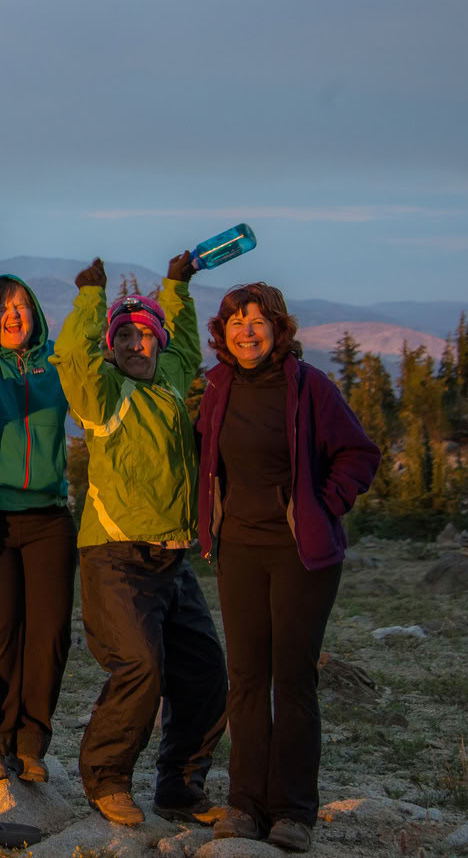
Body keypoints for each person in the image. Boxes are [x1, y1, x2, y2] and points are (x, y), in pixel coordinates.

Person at [196, 284, 380, 852]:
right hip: (240, 550)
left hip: (302, 553)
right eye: (235, 322)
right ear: (223, 333)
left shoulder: (308, 386)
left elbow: (360, 453)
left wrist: (324, 505)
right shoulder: (217, 387)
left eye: (257, 321)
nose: (246, 331)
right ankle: (245, 805)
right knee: (247, 679)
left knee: (293, 682)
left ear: (278, 329)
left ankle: (294, 812)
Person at [50, 254, 228, 827]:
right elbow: (73, 358)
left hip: (173, 557)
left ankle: (179, 789)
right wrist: (90, 299)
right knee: (139, 666)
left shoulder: (174, 381)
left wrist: (177, 285)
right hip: (115, 555)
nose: (133, 344)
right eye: (121, 336)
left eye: (143, 335)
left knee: (204, 674)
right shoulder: (104, 396)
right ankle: (107, 781)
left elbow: (185, 347)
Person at [0, 209, 78, 787]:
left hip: (50, 519)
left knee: (49, 636)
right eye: (1, 307)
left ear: (36, 315)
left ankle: (31, 742)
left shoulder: (57, 368)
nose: (11, 314)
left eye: (20, 305)